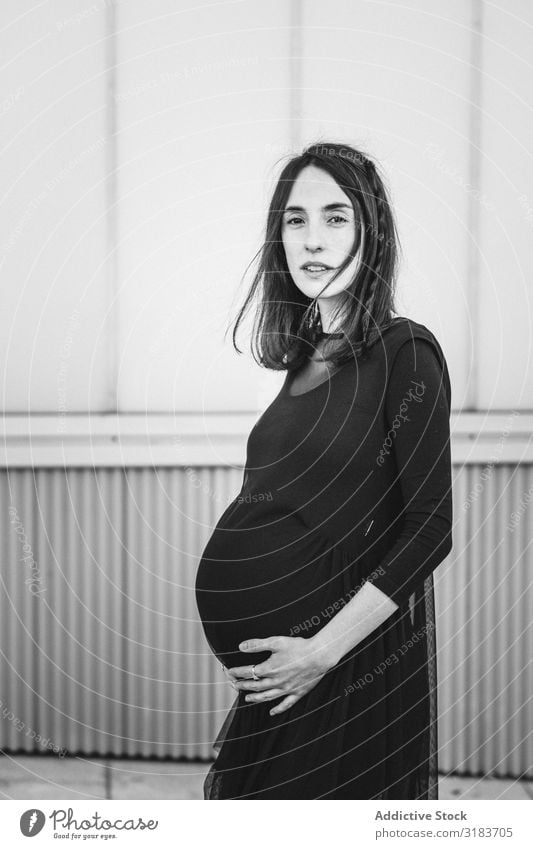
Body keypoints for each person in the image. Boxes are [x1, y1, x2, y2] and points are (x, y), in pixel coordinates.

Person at [194, 142, 453, 799]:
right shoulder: (306, 360)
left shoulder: (406, 352)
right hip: (284, 678)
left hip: (341, 671)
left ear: (372, 232)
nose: (313, 238)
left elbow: (430, 527)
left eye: (335, 217)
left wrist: (319, 652)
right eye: (295, 219)